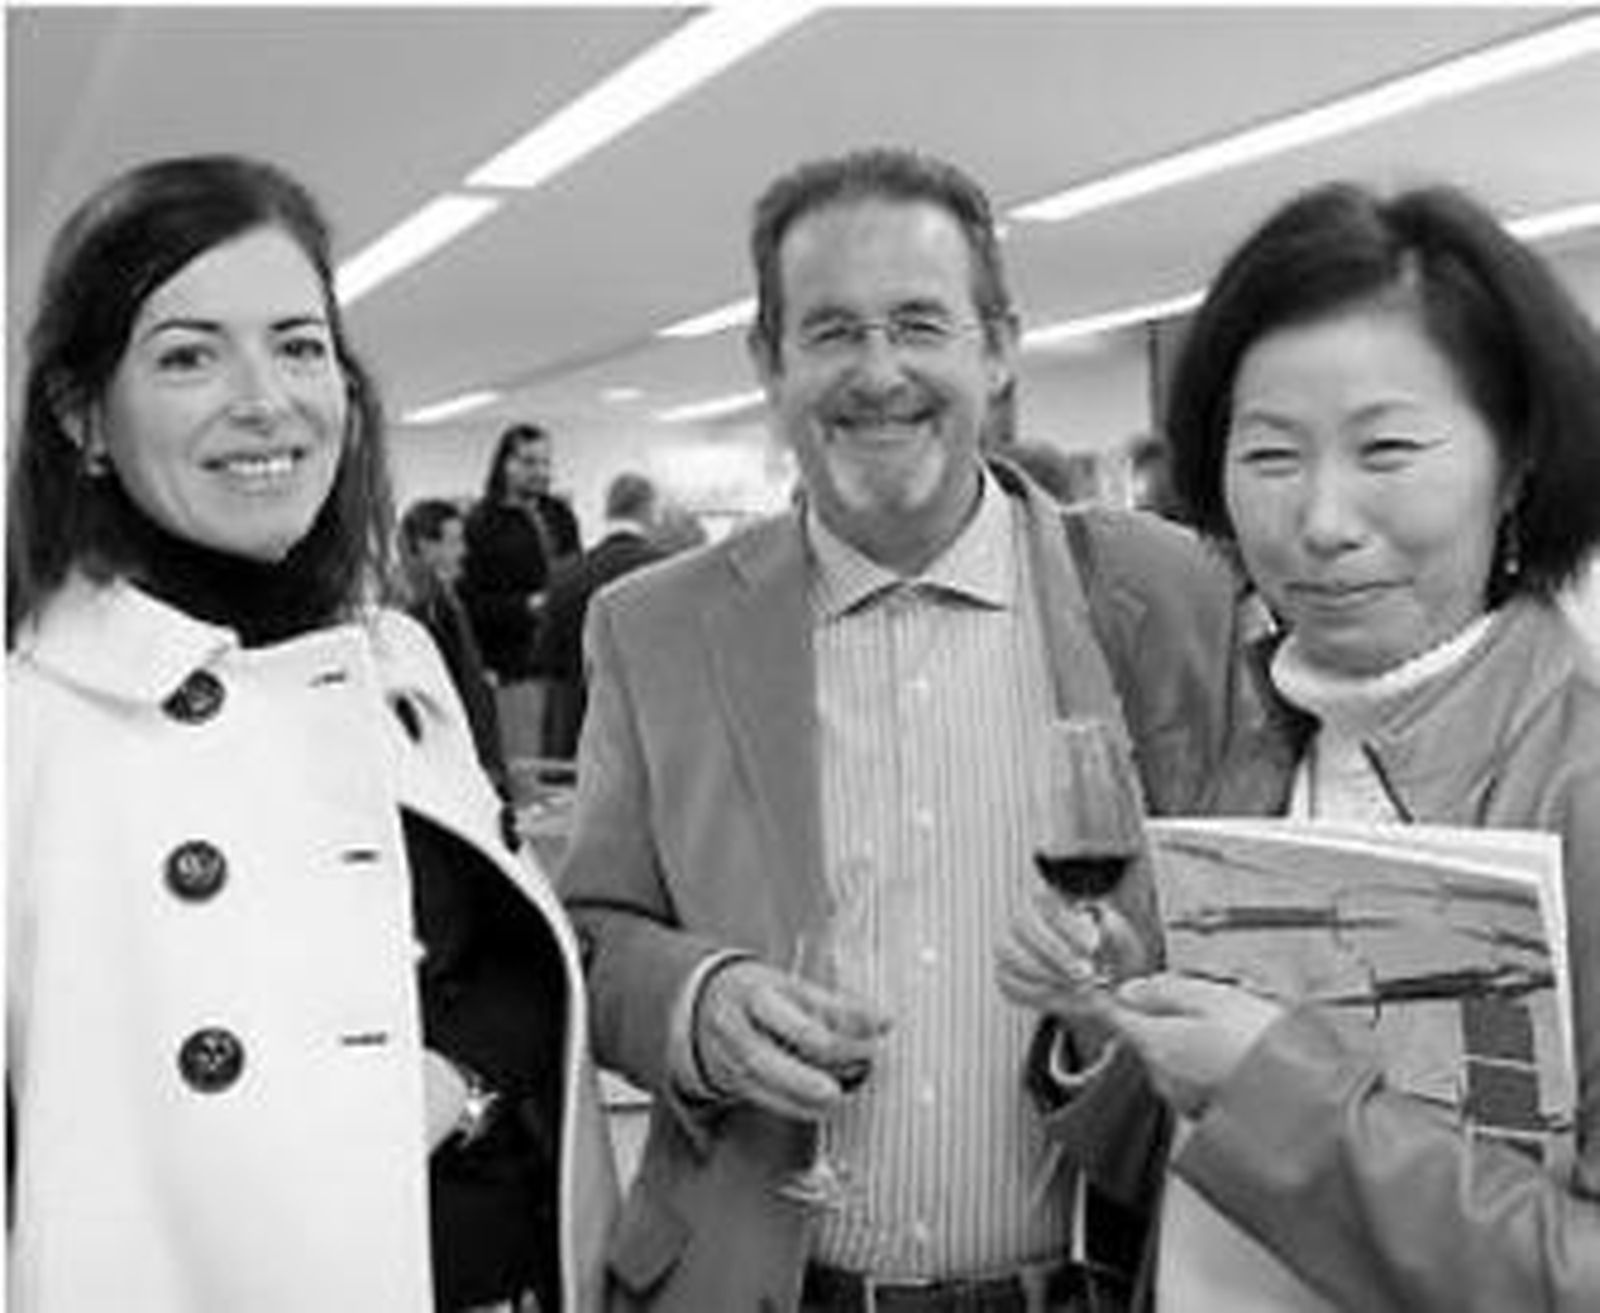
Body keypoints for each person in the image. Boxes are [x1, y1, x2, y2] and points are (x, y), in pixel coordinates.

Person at [559, 146, 1253, 1312]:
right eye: (831, 331)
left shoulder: (1168, 594)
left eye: (919, 324)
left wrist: (1114, 1017)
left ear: (999, 347)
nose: (878, 373)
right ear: (769, 362)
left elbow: (1233, 938)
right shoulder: (654, 628)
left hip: (1091, 1277)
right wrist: (696, 998)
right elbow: (587, 934)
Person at [6, 154, 616, 1313]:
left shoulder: (397, 656)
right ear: (83, 415)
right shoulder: (33, 720)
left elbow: (508, 964)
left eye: (298, 345)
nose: (265, 398)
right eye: (187, 355)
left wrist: (456, 1085)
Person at [1001, 181, 1600, 1312]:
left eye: (1387, 449)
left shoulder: (1578, 777)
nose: (1321, 522)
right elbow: (1178, 1168)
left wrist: (1273, 1093)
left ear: (1517, 458)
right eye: (1271, 456)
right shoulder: (1258, 737)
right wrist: (1111, 1016)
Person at [531, 472, 667, 760]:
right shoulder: (666, 570)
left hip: (578, 727)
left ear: (608, 509)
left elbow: (545, 658)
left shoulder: (565, 573)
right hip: (647, 731)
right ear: (648, 509)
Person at [399, 497, 509, 796]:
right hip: (445, 766)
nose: (463, 552)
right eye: (454, 542)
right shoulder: (417, 610)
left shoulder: (443, 601)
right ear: (425, 546)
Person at [459, 422, 582, 686]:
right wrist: (526, 606)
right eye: (529, 462)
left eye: (545, 462)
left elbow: (576, 568)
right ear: (505, 464)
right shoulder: (480, 524)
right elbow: (471, 604)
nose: (540, 471)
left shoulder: (559, 514)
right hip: (513, 667)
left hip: (564, 660)